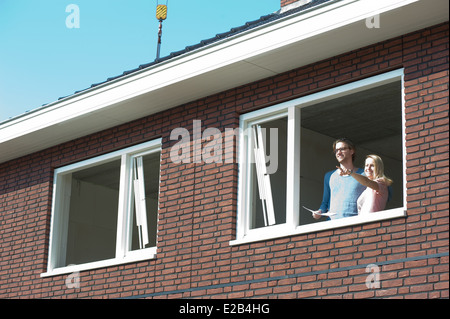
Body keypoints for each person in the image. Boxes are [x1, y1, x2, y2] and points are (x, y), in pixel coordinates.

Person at [313, 138, 366, 220]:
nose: (338, 152)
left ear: (352, 151)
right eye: (336, 150)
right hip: (333, 226)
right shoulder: (329, 176)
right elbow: (325, 202)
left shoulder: (364, 174)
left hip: (355, 224)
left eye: (342, 149)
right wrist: (319, 212)